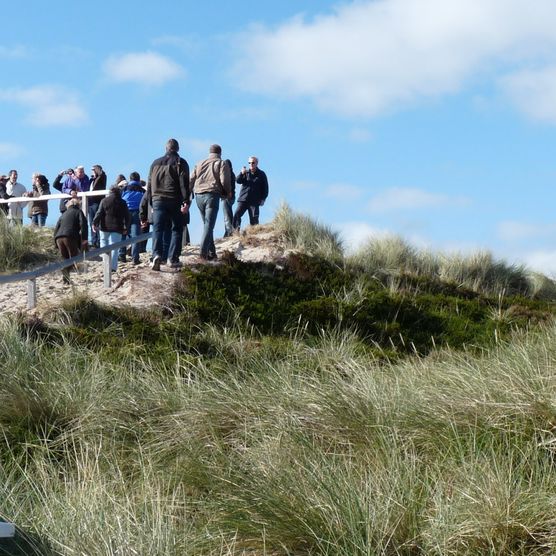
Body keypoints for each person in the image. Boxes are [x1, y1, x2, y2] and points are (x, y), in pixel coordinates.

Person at [146, 138, 190, 271]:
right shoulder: (180, 162)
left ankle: (156, 255)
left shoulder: (155, 163)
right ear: (177, 149)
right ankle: (173, 258)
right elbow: (184, 183)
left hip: (157, 200)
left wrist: (151, 204)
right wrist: (186, 201)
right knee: (177, 228)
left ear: (166, 148)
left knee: (157, 229)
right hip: (174, 199)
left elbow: (149, 185)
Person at [190, 144, 231, 260]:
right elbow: (225, 180)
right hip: (212, 195)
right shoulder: (221, 163)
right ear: (220, 153)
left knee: (207, 225)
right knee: (209, 226)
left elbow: (191, 179)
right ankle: (202, 254)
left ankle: (212, 253)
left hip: (198, 195)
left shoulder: (199, 163)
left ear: (210, 152)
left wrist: (188, 193)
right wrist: (227, 192)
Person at [92, 186, 131, 273]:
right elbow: (127, 216)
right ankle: (112, 268)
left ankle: (106, 264)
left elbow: (99, 213)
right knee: (115, 248)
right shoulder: (123, 202)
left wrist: (94, 223)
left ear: (110, 192)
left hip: (104, 227)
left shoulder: (104, 201)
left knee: (104, 244)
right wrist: (126, 228)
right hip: (117, 227)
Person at [53, 196, 88, 284]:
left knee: (65, 258)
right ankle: (66, 275)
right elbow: (83, 225)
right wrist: (84, 238)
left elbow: (56, 228)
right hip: (70, 236)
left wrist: (55, 243)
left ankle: (66, 279)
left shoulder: (63, 214)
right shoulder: (78, 212)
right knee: (73, 258)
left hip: (59, 237)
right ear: (78, 204)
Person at [233, 156, 269, 231]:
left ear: (257, 163)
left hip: (254, 201)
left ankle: (254, 235)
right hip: (243, 199)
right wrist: (241, 173)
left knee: (254, 219)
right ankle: (235, 233)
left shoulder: (261, 174)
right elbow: (238, 181)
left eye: (253, 163)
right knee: (237, 215)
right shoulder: (245, 173)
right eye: (249, 163)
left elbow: (265, 188)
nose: (251, 164)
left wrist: (263, 199)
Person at [120, 172, 145, 265]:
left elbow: (120, 200)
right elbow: (145, 203)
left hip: (125, 212)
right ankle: (135, 258)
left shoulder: (124, 189)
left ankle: (122, 255)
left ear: (130, 180)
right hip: (136, 213)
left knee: (123, 234)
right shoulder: (142, 190)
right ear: (138, 180)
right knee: (135, 236)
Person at [88, 164, 107, 248]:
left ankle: (99, 241)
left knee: (97, 222)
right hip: (90, 202)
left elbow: (102, 174)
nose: (93, 171)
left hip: (97, 202)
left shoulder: (102, 177)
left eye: (94, 169)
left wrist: (98, 170)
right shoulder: (92, 179)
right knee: (91, 222)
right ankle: (94, 241)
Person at [220, 159, 236, 237]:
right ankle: (230, 230)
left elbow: (226, 185)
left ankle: (229, 232)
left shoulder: (228, 174)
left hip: (227, 197)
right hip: (230, 197)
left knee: (227, 215)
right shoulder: (231, 174)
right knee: (229, 214)